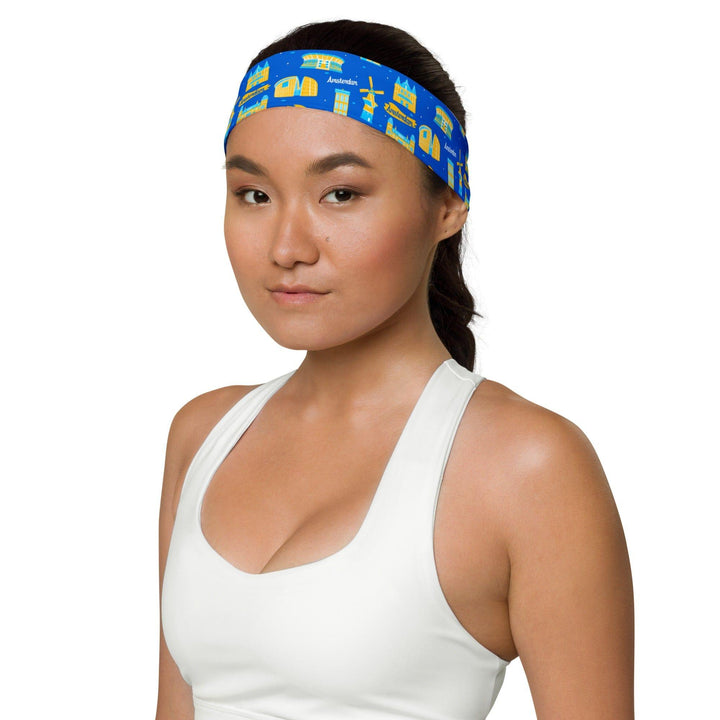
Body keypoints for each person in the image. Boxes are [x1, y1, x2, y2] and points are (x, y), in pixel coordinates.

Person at [155, 19, 634, 720]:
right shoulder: (204, 434)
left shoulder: (526, 467)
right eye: (254, 195)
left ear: (447, 207)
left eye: (341, 194)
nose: (287, 247)